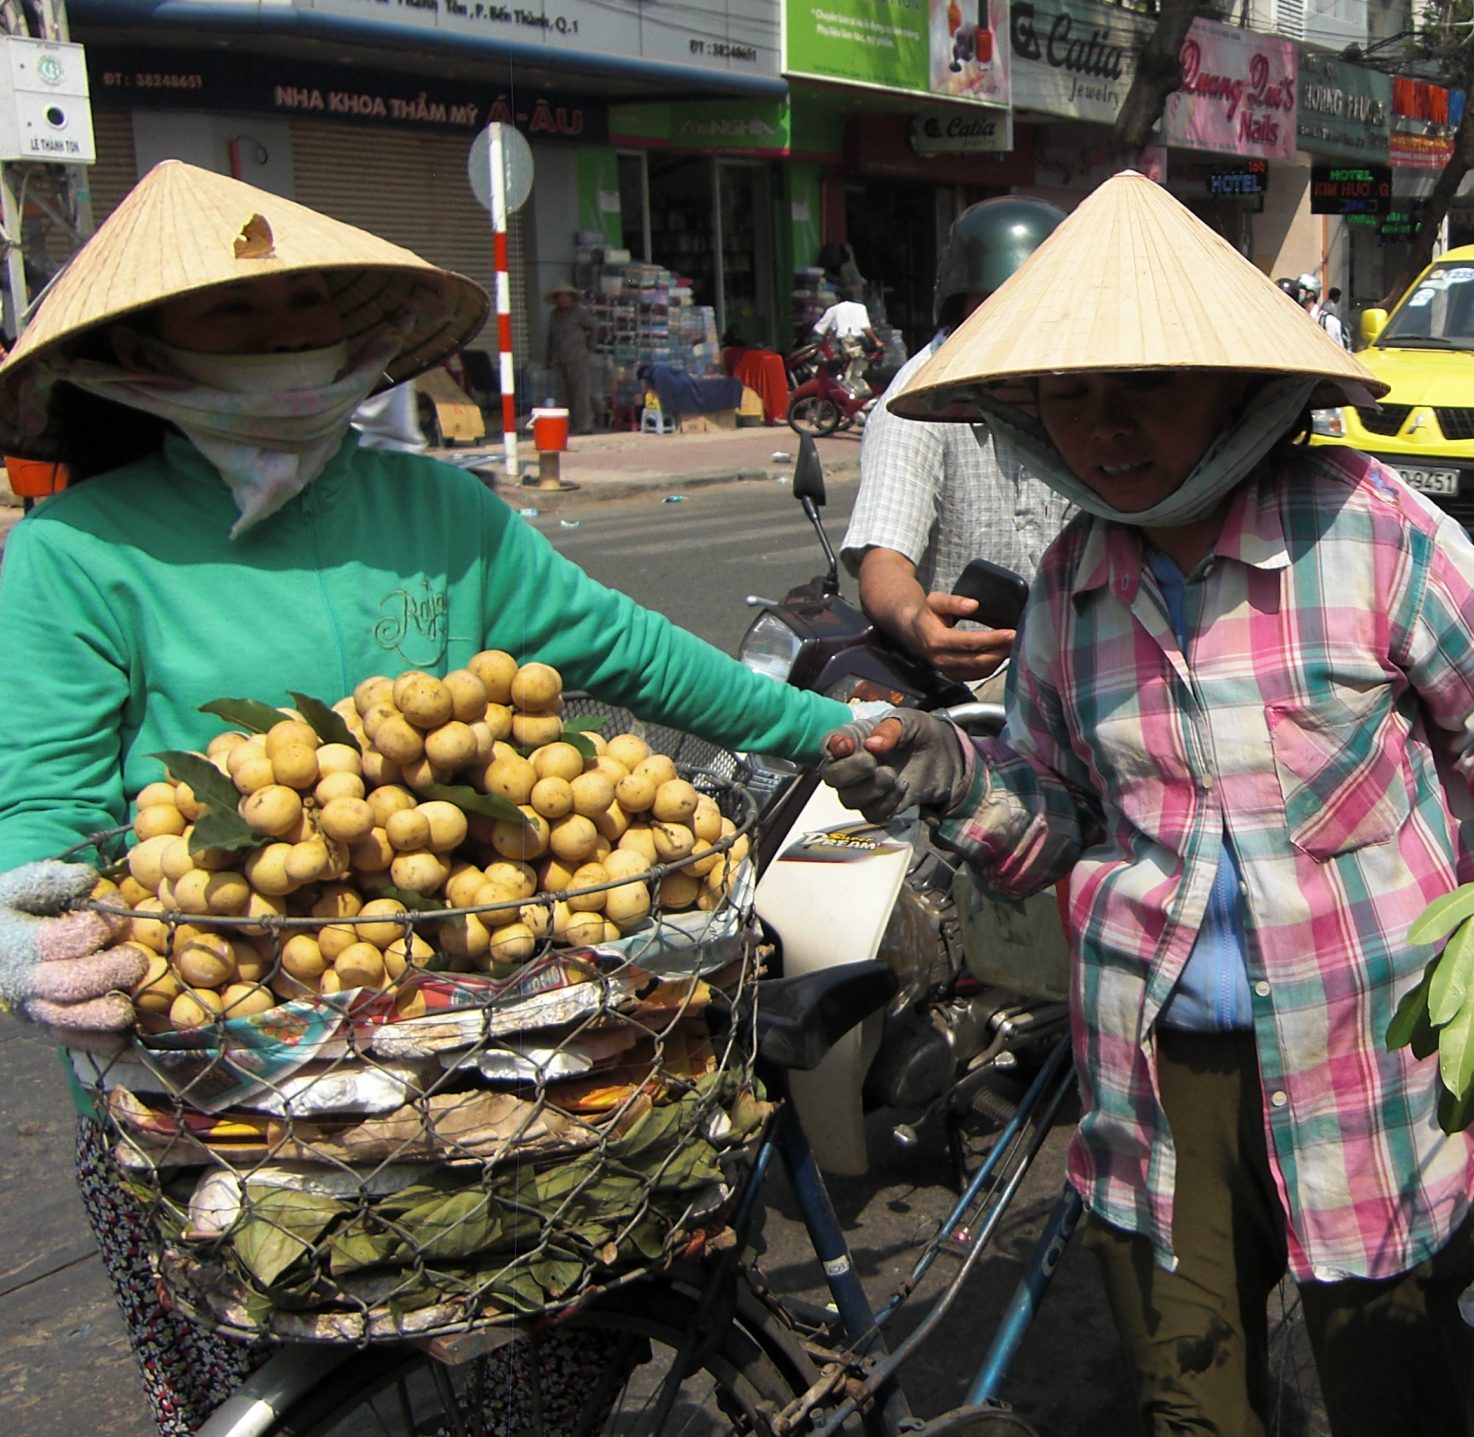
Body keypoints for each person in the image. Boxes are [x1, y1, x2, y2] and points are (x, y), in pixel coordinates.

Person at [0, 161, 876, 1433]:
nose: (283, 338)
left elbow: (629, 650)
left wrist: (834, 729)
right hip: (233, 1089)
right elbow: (44, 807)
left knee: (544, 1375)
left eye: (305, 305)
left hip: (497, 1044)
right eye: (235, 316)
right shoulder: (78, 554)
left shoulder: (438, 509)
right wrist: (27, 937)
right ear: (139, 346)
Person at [818, 172, 1474, 1437]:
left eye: (1144, 387)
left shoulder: (1371, 530)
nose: (1104, 429)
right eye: (1071, 393)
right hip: (1159, 1072)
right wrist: (950, 780)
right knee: (1190, 1406)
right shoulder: (1070, 584)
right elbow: (1051, 815)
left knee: (1395, 1394)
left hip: (1373, 1058)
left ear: (1233, 387)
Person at [842, 196, 1072, 685]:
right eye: (1001, 306)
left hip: (1078, 665)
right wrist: (916, 623)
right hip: (974, 684)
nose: (1021, 326)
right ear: (963, 305)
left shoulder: (1070, 383)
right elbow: (884, 559)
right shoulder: (917, 401)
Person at [542, 282, 595, 434]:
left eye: (564, 296)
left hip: (578, 357)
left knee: (580, 392)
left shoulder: (580, 312)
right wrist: (548, 357)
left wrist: (589, 346)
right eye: (559, 297)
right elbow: (551, 337)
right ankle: (567, 424)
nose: (562, 300)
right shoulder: (554, 315)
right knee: (562, 394)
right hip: (559, 358)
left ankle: (584, 425)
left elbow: (594, 327)